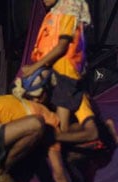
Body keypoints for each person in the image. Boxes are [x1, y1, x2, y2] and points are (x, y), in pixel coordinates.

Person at [23, 0, 91, 131]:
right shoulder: (57, 12)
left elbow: (62, 47)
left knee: (63, 125)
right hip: (55, 69)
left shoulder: (69, 11)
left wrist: (34, 67)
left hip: (65, 71)